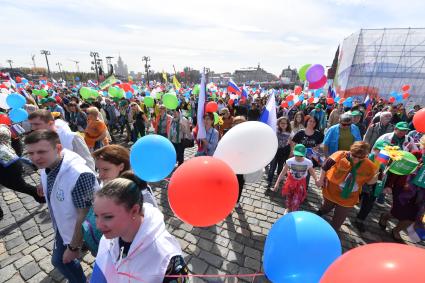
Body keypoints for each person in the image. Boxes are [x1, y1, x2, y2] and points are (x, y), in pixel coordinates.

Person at [25, 130, 99, 283]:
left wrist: (73, 248)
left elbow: (84, 214)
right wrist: (44, 185)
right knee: (59, 261)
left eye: (41, 152)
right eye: (30, 153)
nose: (35, 158)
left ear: (58, 148)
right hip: (63, 226)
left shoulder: (79, 174)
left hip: (81, 232)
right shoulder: (48, 164)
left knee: (61, 261)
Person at [90, 178, 188, 283]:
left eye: (108, 217)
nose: (98, 225)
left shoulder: (167, 259)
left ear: (134, 211)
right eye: (96, 215)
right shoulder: (109, 238)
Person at [317, 141, 378, 231]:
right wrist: (320, 179)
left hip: (349, 196)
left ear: (365, 155)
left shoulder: (369, 165)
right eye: (354, 156)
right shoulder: (339, 155)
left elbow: (369, 182)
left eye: (360, 157)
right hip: (332, 190)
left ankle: (332, 234)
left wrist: (377, 177)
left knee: (338, 220)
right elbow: (325, 167)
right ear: (351, 151)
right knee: (326, 208)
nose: (356, 159)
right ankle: (317, 215)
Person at [0, 125, 45, 220]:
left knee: (21, 186)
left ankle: (44, 197)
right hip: (9, 162)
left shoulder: (3, 128)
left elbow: (7, 132)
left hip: (8, 165)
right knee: (21, 185)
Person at [28, 109, 95, 172]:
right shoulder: (40, 140)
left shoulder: (72, 137)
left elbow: (88, 162)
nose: (33, 128)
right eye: (31, 124)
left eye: (37, 124)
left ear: (51, 123)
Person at [272, 144, 319, 213]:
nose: (298, 157)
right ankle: (288, 208)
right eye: (297, 155)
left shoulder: (308, 162)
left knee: (296, 200)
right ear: (294, 152)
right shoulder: (290, 161)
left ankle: (294, 211)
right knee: (289, 197)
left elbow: (312, 172)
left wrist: (316, 179)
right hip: (290, 182)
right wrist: (277, 183)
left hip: (301, 183)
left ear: (304, 154)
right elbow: (282, 173)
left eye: (301, 155)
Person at [354, 140, 389, 232]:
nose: (383, 154)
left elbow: (387, 176)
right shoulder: (367, 158)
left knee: (368, 204)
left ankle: (360, 220)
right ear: (375, 150)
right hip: (363, 184)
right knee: (355, 199)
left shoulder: (388, 163)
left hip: (375, 186)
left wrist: (386, 184)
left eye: (385, 152)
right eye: (380, 151)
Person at [266, 117, 292, 190]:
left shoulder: (290, 132)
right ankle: (269, 181)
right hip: (274, 151)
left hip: (283, 152)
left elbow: (292, 142)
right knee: (272, 167)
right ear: (279, 123)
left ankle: (278, 181)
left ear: (287, 124)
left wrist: (291, 151)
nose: (283, 124)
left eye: (285, 123)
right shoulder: (275, 129)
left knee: (280, 167)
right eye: (281, 123)